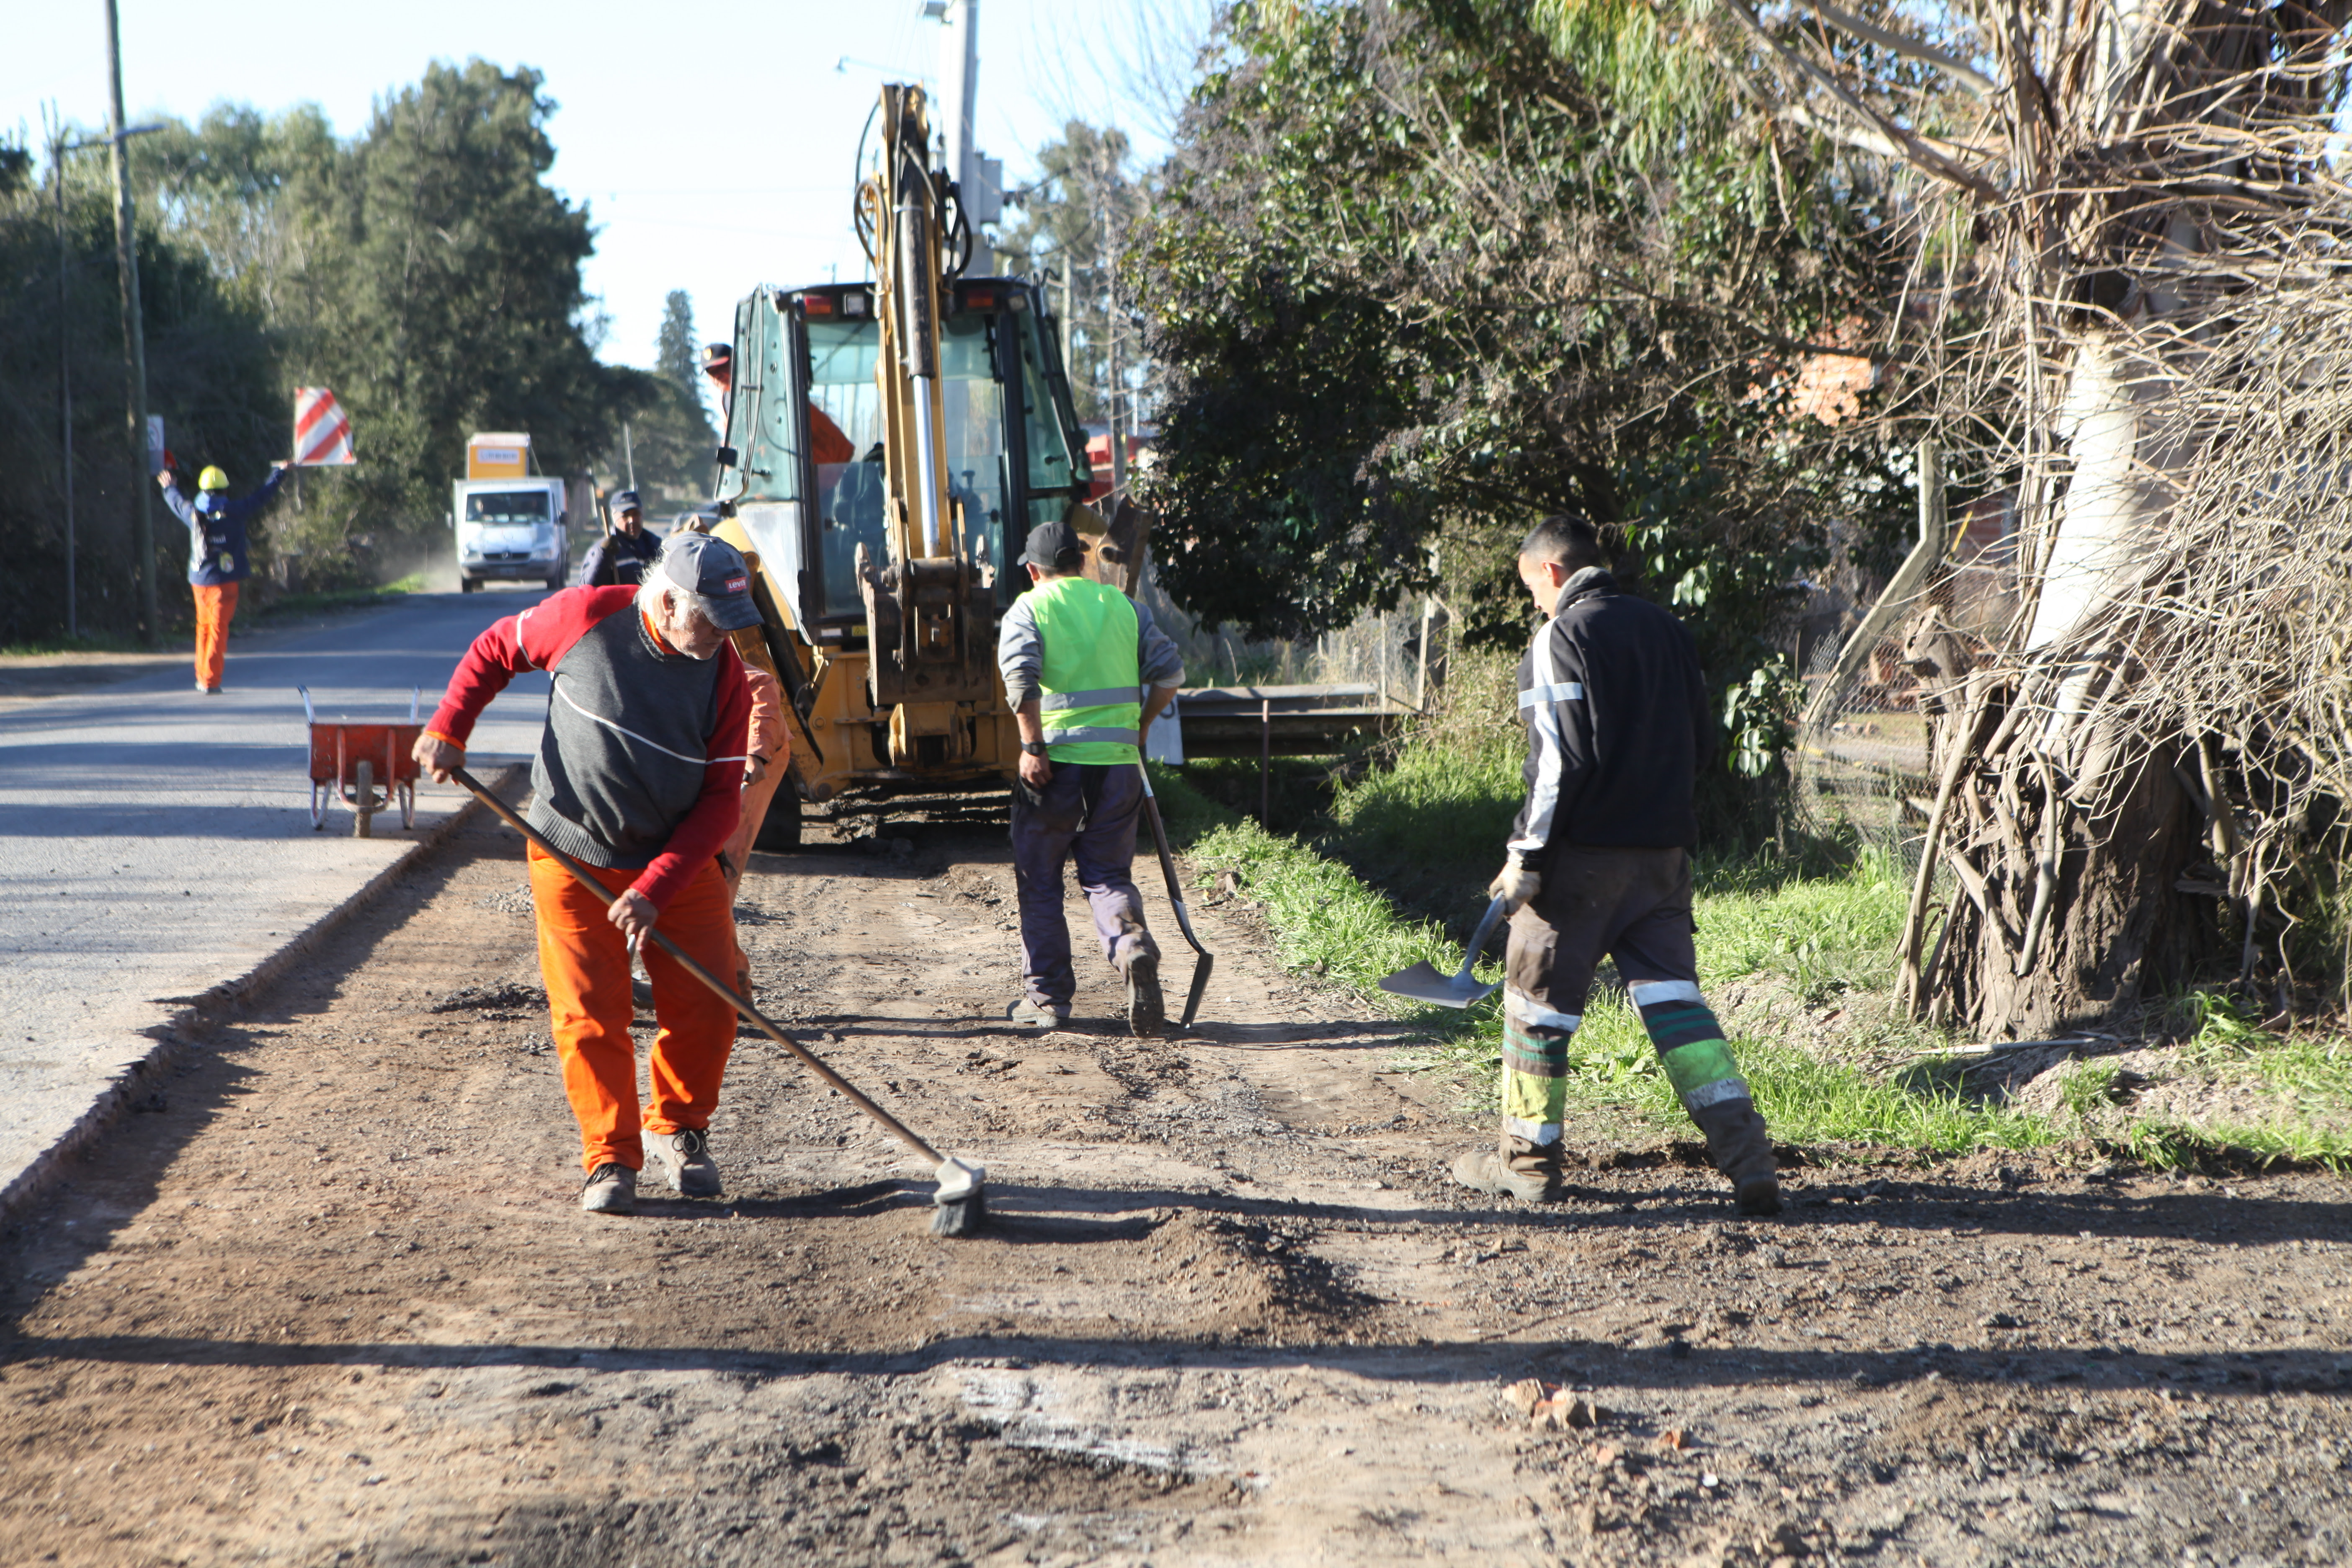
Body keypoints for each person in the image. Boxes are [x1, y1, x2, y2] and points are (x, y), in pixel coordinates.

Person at [413, 532, 759, 1217]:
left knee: (712, 998)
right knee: (591, 1012)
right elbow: (494, 648)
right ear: (664, 601)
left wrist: (656, 885)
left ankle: (677, 1126)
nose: (723, 639)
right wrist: (452, 725)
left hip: (675, 861)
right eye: (710, 622)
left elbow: (722, 803)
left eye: (733, 625)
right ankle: (609, 1156)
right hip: (572, 853)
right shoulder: (585, 617)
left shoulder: (724, 677)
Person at [1457, 513, 1782, 1217]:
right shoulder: (1667, 629)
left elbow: (1556, 764)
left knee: (1535, 1010)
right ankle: (1748, 1157)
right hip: (1664, 860)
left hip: (1582, 865)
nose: (1536, 607)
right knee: (1677, 1007)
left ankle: (1528, 1165)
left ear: (1550, 572)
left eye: (1533, 591)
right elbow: (1700, 746)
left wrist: (1525, 856)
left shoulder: (1560, 637)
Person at [996, 518, 1185, 1035]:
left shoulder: (1030, 608)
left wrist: (1032, 745)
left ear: (1034, 571)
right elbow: (1171, 674)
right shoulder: (1125, 608)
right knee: (1107, 878)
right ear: (1081, 564)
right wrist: (1141, 729)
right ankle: (1133, 949)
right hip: (1119, 769)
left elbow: (1020, 677)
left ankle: (1048, 1000)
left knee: (1040, 884)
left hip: (1054, 770)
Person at [157, 461, 287, 694]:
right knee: (218, 630)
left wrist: (169, 487)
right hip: (224, 585)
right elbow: (262, 496)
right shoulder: (236, 512)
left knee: (204, 629)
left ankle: (203, 676)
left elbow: (176, 502)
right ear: (225, 491)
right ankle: (210, 681)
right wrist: (280, 473)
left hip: (199, 581)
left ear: (203, 491)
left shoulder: (193, 512)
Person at [705, 340, 853, 467]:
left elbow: (786, 436)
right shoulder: (726, 401)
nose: (718, 376)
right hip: (771, 478)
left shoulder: (767, 389)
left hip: (814, 470)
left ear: (737, 363)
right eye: (712, 373)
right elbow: (733, 444)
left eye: (722, 367)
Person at [576, 490, 661, 588]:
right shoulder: (601, 550)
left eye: (636, 514)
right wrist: (603, 556)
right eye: (625, 515)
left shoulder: (655, 545)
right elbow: (587, 588)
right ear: (614, 516)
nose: (632, 520)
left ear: (642, 514)